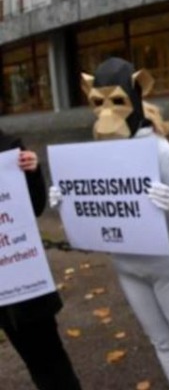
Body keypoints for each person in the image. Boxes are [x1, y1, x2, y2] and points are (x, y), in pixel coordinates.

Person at [49, 57, 169, 390]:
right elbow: (96, 209)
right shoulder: (96, 155)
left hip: (168, 267)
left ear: (136, 94)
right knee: (162, 342)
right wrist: (66, 203)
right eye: (97, 102)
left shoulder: (159, 150)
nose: (106, 113)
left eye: (117, 101)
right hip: (128, 267)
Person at [0, 132, 82, 390]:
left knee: (48, 361)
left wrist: (33, 172)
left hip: (21, 277)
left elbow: (35, 206)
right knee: (37, 361)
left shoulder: (8, 146)